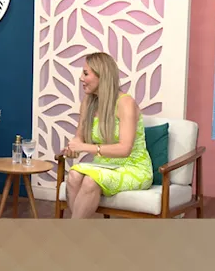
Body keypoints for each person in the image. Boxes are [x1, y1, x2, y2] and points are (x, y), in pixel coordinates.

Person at [63, 52, 153, 219]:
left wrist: (84, 147)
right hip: (103, 166)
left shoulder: (125, 103)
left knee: (91, 180)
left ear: (101, 76)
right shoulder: (88, 102)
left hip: (133, 167)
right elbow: (79, 137)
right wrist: (73, 146)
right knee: (74, 175)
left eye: (86, 73)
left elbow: (124, 149)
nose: (81, 78)